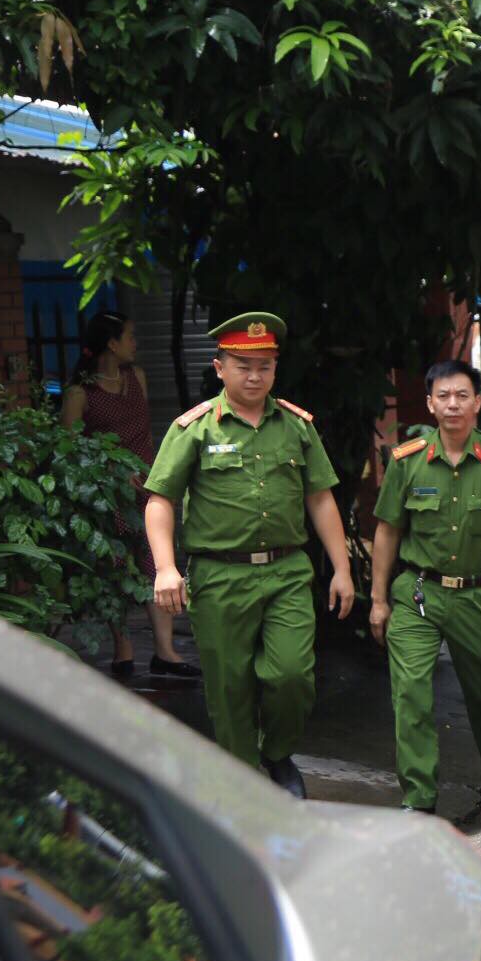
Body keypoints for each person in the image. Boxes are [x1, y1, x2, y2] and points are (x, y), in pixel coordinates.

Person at [143, 312, 355, 798]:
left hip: (287, 571)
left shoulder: (297, 427)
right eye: (243, 365)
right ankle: (243, 786)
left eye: (265, 365)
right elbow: (160, 500)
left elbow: (320, 498)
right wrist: (166, 567)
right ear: (220, 367)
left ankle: (276, 752)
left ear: (276, 368)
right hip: (220, 577)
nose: (255, 375)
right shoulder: (194, 429)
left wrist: (341, 569)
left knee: (292, 676)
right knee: (229, 690)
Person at [370, 360, 481, 814]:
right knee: (411, 694)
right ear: (429, 403)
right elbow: (387, 531)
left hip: (479, 594)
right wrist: (379, 600)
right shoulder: (407, 460)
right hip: (419, 593)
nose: (453, 404)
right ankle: (419, 799)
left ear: (477, 402)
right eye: (443, 396)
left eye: (462, 395)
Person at [59, 310, 195, 681]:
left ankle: (166, 652)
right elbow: (69, 452)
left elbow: (145, 433)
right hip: (109, 494)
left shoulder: (137, 378)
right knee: (116, 569)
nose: (136, 343)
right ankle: (124, 649)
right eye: (130, 337)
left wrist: (155, 474)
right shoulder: (80, 393)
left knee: (157, 563)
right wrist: (115, 474)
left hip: (148, 488)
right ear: (111, 343)